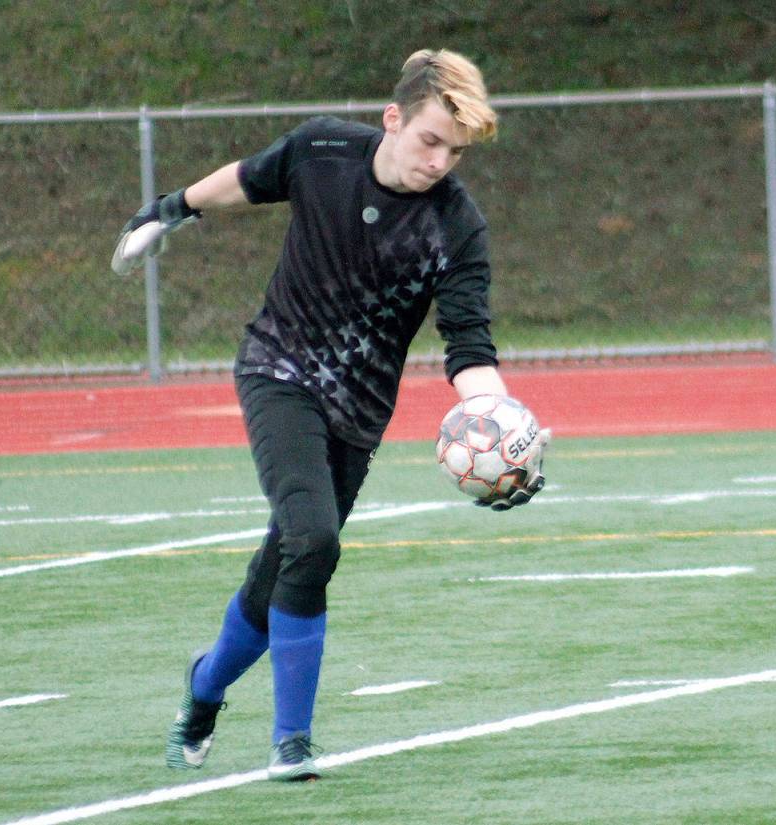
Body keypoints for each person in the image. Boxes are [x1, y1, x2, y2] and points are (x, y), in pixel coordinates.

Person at [114, 48, 547, 781]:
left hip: (356, 415)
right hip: (277, 372)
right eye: (429, 141)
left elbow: (468, 344)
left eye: (456, 151)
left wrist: (503, 420)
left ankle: (204, 688)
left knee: (282, 562)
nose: (440, 161)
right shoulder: (320, 150)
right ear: (392, 120)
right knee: (314, 539)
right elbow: (248, 179)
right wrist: (171, 208)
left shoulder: (457, 227)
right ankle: (293, 743)